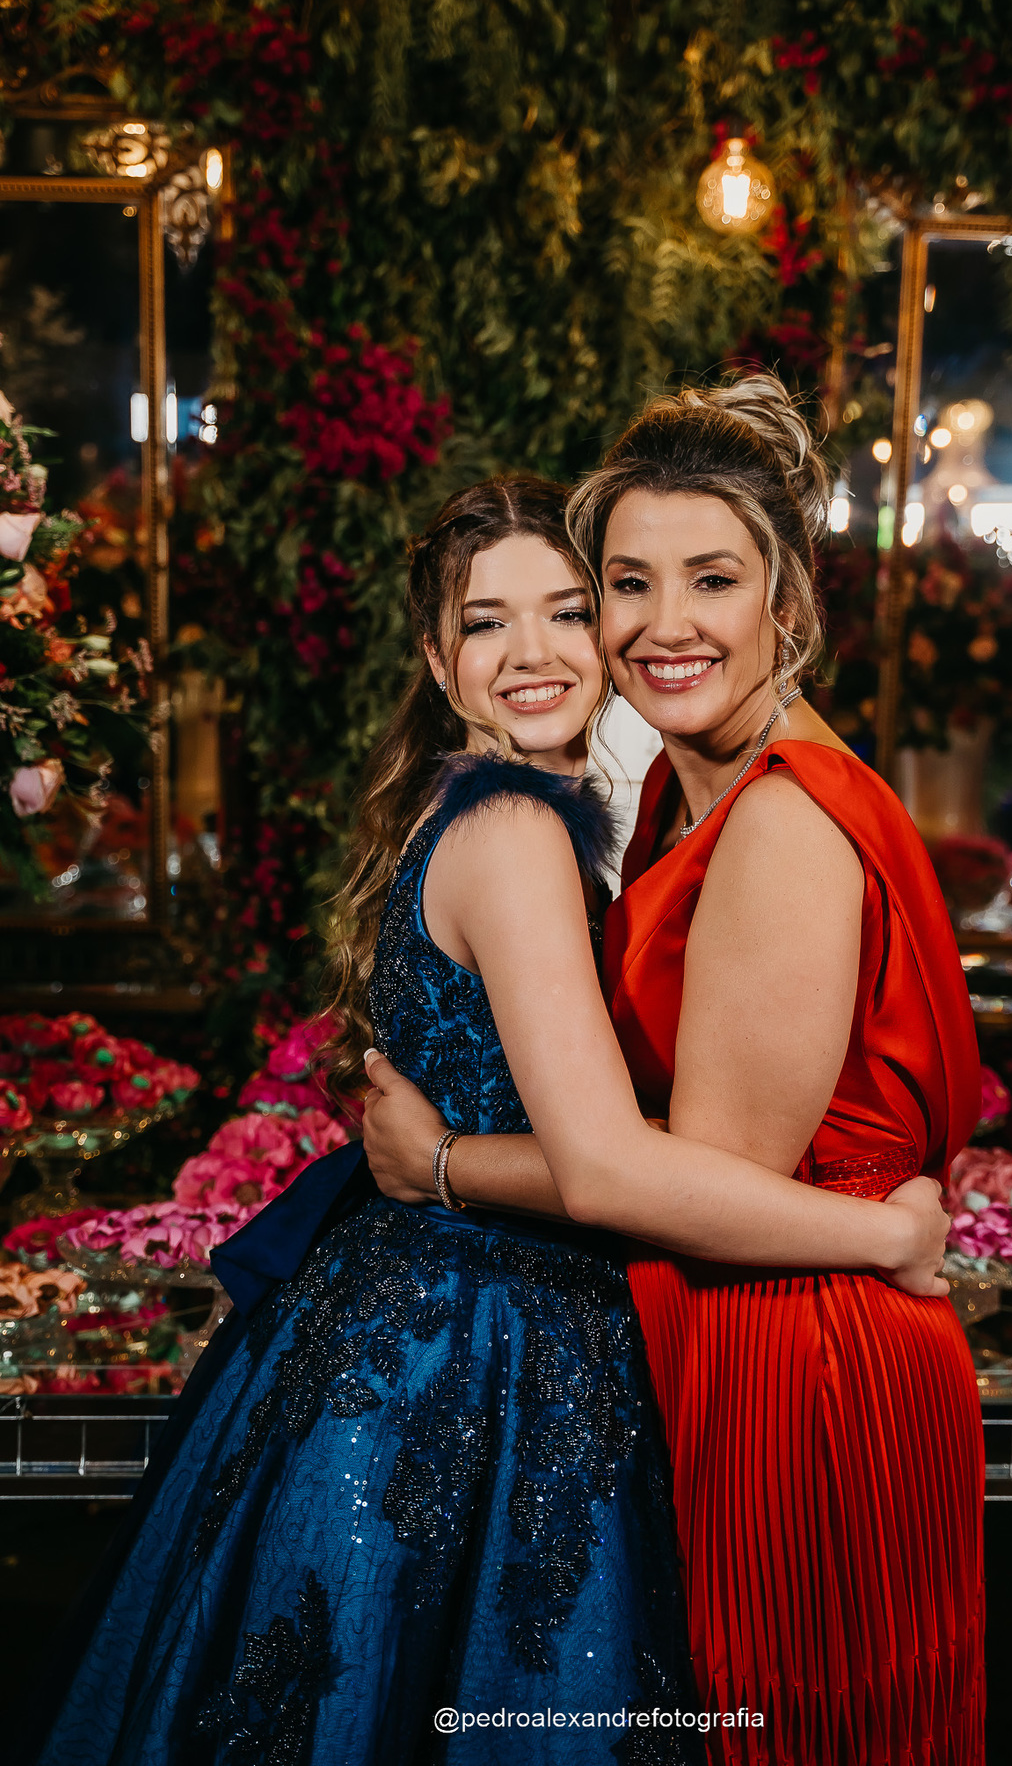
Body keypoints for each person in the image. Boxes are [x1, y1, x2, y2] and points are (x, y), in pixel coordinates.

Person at [23, 470, 948, 1766]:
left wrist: (441, 1156)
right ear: (436, 659)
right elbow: (609, 1165)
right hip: (474, 1346)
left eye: (566, 611)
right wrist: (883, 1237)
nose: (532, 653)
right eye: (484, 621)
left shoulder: (522, 813)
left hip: (433, 1315)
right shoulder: (514, 826)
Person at [361, 375, 986, 1766]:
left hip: (801, 1348)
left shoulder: (780, 821)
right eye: (628, 585)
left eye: (713, 579)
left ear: (786, 597)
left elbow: (696, 1174)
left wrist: (442, 1163)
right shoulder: (679, 790)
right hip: (746, 1319)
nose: (664, 624)